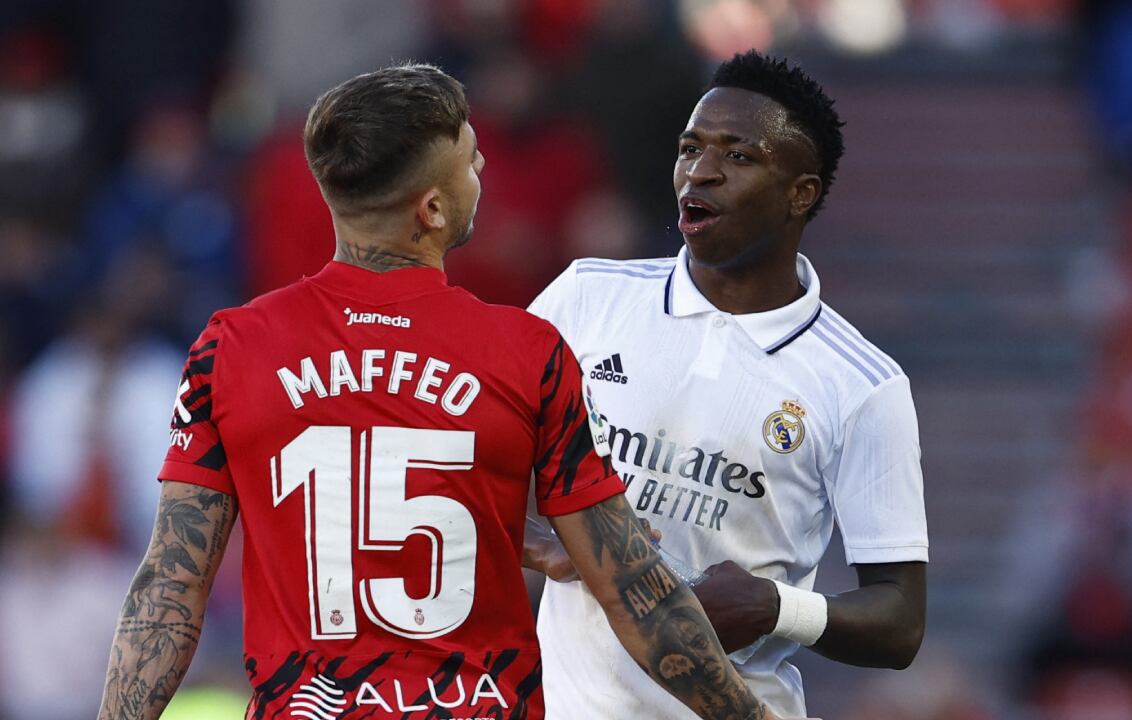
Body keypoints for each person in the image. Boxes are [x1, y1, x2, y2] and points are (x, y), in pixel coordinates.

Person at [97, 63, 790, 720]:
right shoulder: (526, 352)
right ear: (431, 209)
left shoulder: (233, 346)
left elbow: (169, 587)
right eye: (470, 160)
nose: (483, 173)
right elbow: (633, 585)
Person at [524, 50, 928, 719]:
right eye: (691, 148)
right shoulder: (586, 298)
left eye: (738, 156)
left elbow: (900, 623)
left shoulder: (862, 385)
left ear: (801, 191)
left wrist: (774, 607)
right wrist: (528, 538)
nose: (700, 171)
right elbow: (464, 458)